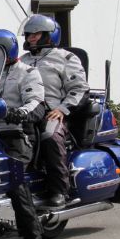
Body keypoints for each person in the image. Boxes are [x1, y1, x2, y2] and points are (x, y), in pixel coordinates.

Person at [0, 29, 46, 239]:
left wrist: (18, 113)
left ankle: (33, 237)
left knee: (14, 179)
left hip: (16, 135)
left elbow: (36, 103)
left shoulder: (27, 72)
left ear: (6, 50)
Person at [19, 14, 89, 207]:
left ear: (50, 35)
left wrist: (62, 109)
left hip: (51, 111)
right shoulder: (21, 60)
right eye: (28, 35)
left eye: (36, 34)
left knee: (50, 136)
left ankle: (59, 191)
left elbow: (79, 89)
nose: (31, 38)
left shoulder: (65, 58)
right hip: (24, 111)